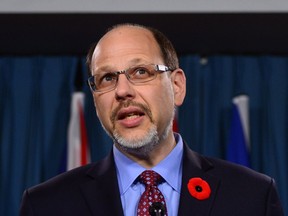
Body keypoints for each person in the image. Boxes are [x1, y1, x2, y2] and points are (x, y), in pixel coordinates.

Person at [20, 23, 284, 216]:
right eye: (107, 78)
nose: (122, 91)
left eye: (141, 71)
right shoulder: (45, 205)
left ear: (177, 86)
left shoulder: (252, 196)